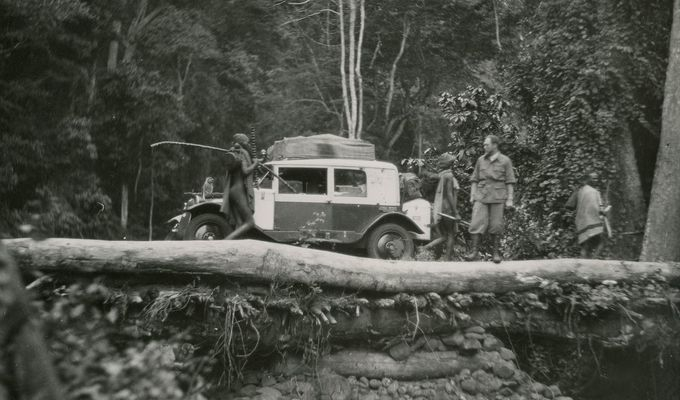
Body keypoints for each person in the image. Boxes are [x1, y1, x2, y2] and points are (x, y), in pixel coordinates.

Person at [466, 135, 516, 263]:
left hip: (498, 197)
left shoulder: (505, 161)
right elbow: (474, 180)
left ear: (495, 145)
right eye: (484, 144)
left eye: (486, 144)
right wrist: (472, 195)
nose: (484, 147)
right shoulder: (480, 160)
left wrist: (510, 199)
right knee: (476, 223)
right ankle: (474, 252)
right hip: (481, 196)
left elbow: (510, 181)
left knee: (496, 225)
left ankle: (495, 253)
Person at [221, 133, 259, 240]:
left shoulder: (233, 154)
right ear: (242, 143)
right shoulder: (242, 153)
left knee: (239, 223)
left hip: (233, 191)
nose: (248, 144)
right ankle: (224, 243)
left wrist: (257, 161)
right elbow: (245, 171)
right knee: (250, 223)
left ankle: (234, 246)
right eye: (247, 142)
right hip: (239, 191)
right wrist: (255, 164)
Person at [565, 172, 606, 258]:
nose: (595, 180)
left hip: (581, 222)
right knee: (601, 243)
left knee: (586, 245)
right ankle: (593, 261)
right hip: (592, 222)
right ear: (588, 179)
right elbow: (596, 208)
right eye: (593, 178)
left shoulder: (580, 190)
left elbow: (570, 206)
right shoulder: (594, 192)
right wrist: (602, 212)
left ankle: (585, 262)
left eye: (596, 178)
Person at [432, 153, 461, 261]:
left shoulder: (442, 175)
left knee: (443, 235)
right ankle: (447, 259)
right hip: (448, 208)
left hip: (441, 207)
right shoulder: (449, 176)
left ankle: (432, 253)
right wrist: (455, 212)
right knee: (450, 234)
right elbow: (449, 194)